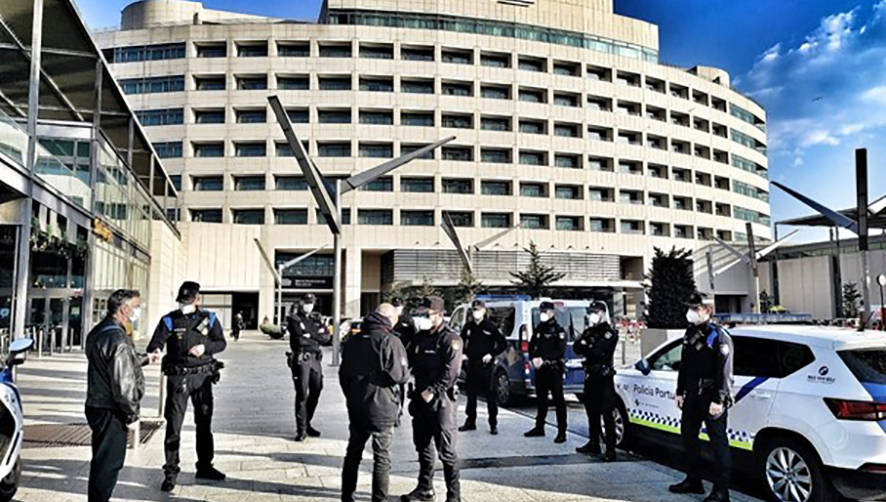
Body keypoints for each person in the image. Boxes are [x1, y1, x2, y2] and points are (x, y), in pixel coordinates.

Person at [147, 281, 227, 492]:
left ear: (197, 299)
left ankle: (205, 466)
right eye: (182, 302)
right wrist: (155, 351)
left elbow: (221, 343)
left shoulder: (209, 319)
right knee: (173, 426)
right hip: (178, 379)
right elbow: (155, 343)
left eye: (188, 301)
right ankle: (171, 473)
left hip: (202, 379)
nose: (185, 305)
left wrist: (206, 347)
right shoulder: (169, 320)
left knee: (204, 424)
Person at [85, 289, 158, 502]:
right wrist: (133, 414)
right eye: (137, 306)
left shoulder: (98, 331)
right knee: (109, 463)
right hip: (111, 408)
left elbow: (116, 362)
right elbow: (123, 384)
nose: (138, 311)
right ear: (124, 309)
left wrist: (145, 359)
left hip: (96, 403)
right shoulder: (118, 339)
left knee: (101, 458)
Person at [339, 303, 410, 502]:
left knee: (353, 453)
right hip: (382, 407)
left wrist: (352, 396)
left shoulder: (353, 341)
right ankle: (379, 499)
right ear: (389, 319)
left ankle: (347, 495)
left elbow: (343, 375)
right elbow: (399, 375)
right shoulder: (390, 341)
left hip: (357, 406)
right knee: (382, 457)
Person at [668, 292, 734, 502]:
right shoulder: (690, 333)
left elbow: (725, 370)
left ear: (707, 310)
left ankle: (721, 491)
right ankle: (693, 481)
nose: (691, 312)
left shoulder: (719, 335)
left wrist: (719, 398)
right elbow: (684, 365)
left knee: (718, 444)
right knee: (688, 438)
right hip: (692, 396)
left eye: (695, 309)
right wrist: (680, 391)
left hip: (710, 396)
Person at [402, 296, 463, 502]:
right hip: (420, 400)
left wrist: (433, 390)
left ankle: (454, 496)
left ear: (438, 314)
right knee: (423, 447)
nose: (424, 317)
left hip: (441, 402)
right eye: (422, 314)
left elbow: (451, 372)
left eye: (427, 314)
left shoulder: (450, 339)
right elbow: (407, 361)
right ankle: (425, 489)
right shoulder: (420, 338)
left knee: (446, 451)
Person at [573, 300, 619, 461]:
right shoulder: (590, 331)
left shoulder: (609, 332)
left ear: (603, 313)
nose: (593, 315)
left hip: (604, 377)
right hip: (590, 375)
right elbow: (577, 347)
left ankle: (611, 449)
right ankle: (593, 443)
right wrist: (587, 344)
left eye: (596, 312)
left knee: (607, 414)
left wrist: (588, 345)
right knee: (591, 411)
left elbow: (599, 352)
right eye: (592, 312)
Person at [287, 292, 332, 441]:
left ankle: (307, 422)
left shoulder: (315, 319)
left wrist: (310, 335)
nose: (309, 305)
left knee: (317, 390)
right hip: (301, 358)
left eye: (311, 302)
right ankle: (301, 429)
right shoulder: (294, 319)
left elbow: (326, 338)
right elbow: (299, 339)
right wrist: (315, 335)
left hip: (315, 359)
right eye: (307, 302)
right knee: (301, 393)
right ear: (301, 303)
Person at [458, 300, 506, 435]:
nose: (475, 313)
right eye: (474, 310)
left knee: (490, 395)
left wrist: (492, 354)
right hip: (471, 364)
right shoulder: (468, 327)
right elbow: (461, 342)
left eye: (478, 310)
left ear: (484, 311)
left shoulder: (490, 327)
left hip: (486, 365)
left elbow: (502, 343)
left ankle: (493, 423)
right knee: (471, 395)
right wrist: (463, 354)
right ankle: (470, 421)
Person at [523, 301, 567, 443]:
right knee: (541, 400)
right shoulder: (539, 329)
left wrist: (545, 359)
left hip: (553, 369)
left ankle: (562, 431)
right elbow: (531, 346)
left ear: (552, 313)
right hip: (540, 370)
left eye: (545, 312)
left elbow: (560, 350)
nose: (543, 314)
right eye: (541, 312)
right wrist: (533, 358)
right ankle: (539, 427)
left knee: (558, 400)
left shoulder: (558, 330)